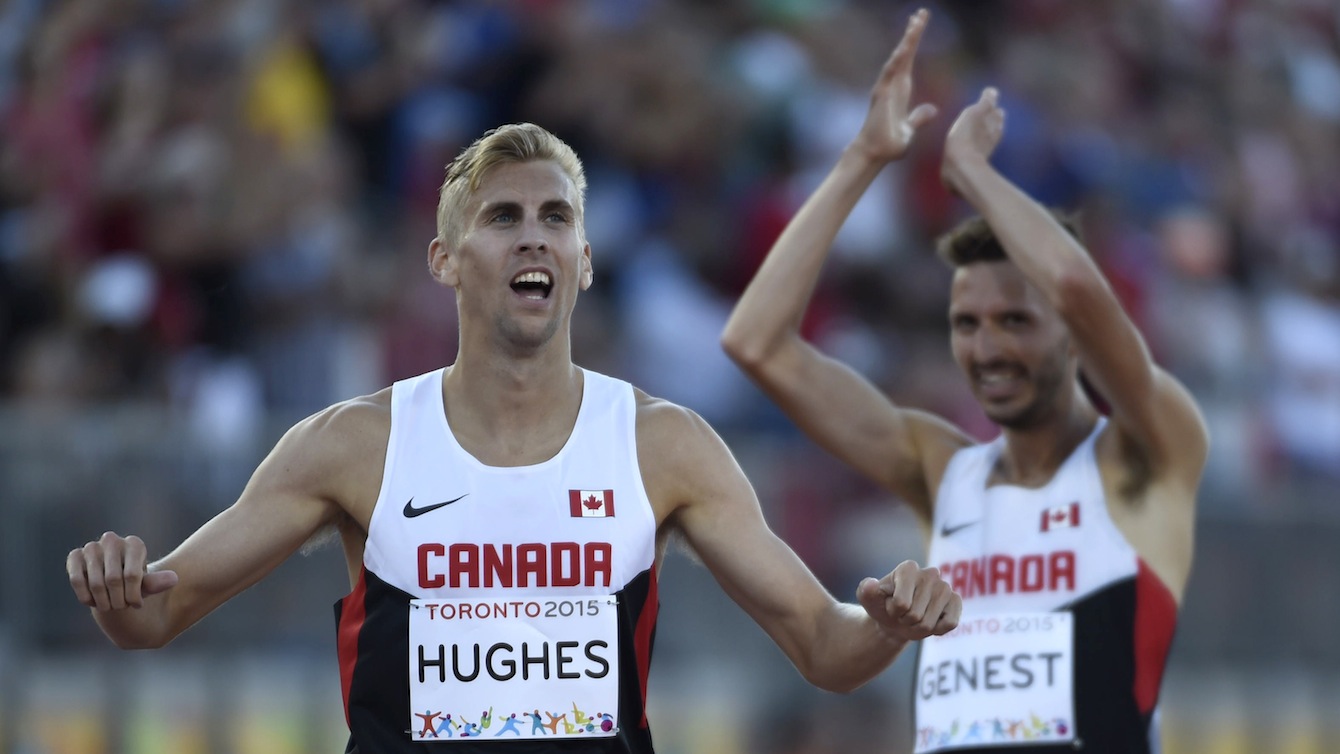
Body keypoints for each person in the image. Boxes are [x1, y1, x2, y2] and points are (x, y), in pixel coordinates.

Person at [66, 115, 962, 752]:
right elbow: (156, 617)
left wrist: (885, 625)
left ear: (584, 260)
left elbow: (826, 650)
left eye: (556, 220)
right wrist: (117, 590)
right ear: (445, 261)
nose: (534, 239)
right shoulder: (352, 445)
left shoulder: (662, 446)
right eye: (502, 218)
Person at [721, 9, 1209, 754]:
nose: (986, 348)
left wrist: (974, 174)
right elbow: (756, 343)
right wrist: (863, 156)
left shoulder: (1147, 450)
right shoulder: (944, 468)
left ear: (1072, 334)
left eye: (1015, 320)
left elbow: (1077, 285)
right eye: (967, 323)